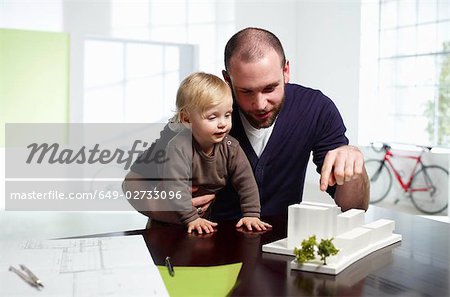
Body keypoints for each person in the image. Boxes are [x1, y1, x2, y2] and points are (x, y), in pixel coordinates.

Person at [124, 27, 369, 223]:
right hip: (204, 242)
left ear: (286, 71)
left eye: (270, 88)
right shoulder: (202, 110)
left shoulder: (316, 108)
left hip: (276, 245)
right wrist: (170, 210)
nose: (260, 104)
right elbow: (133, 184)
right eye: (246, 91)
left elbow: (355, 207)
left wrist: (354, 164)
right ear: (227, 80)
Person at [139, 72, 271, 234]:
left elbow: (246, 182)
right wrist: (191, 218)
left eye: (227, 115)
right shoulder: (178, 146)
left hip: (202, 220)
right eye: (212, 117)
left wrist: (251, 214)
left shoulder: (231, 147)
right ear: (187, 119)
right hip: (165, 224)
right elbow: (176, 187)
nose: (223, 123)